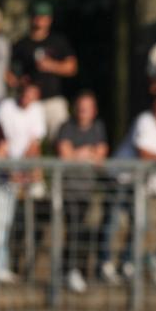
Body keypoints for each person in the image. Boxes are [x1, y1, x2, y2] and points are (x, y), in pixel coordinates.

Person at [100, 94, 156, 284]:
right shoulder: (144, 121)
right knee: (112, 221)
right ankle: (105, 262)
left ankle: (127, 262)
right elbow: (144, 153)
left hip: (141, 183)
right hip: (121, 178)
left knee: (140, 223)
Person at [57, 91, 108, 294]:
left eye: (87, 107)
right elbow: (65, 155)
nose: (83, 111)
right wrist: (87, 153)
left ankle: (76, 270)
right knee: (74, 230)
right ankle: (69, 270)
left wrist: (78, 153)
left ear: (93, 111)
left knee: (85, 232)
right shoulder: (66, 127)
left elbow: (101, 154)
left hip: (87, 191)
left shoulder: (98, 128)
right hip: (69, 190)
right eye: (80, 107)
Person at [0, 83, 46, 283]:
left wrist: (27, 170)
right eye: (26, 94)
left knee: (5, 222)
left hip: (19, 171)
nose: (27, 100)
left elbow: (34, 144)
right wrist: (12, 169)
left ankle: (2, 265)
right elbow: (2, 141)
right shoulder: (6, 108)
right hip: (3, 172)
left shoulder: (37, 111)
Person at [9, 0, 77, 141]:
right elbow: (8, 72)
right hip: (30, 103)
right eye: (37, 15)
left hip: (53, 100)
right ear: (31, 18)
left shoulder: (58, 41)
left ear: (49, 20)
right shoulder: (21, 44)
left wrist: (52, 65)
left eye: (44, 16)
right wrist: (18, 82)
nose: (40, 20)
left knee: (61, 140)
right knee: (28, 143)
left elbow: (72, 67)